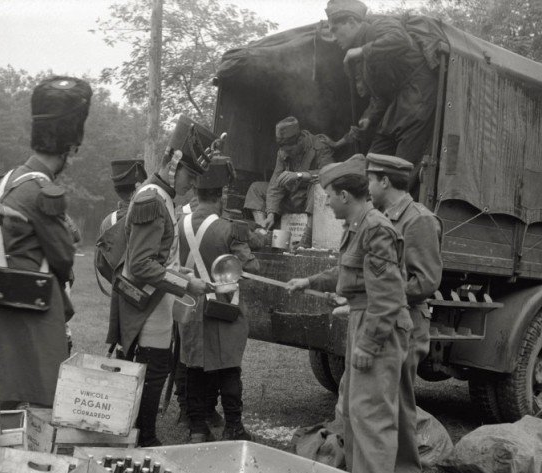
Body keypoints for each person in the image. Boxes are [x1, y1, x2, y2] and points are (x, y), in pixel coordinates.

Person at [288, 154, 411, 473]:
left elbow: (388, 298)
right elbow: (346, 271)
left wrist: (367, 345)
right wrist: (310, 282)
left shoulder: (376, 228)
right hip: (365, 318)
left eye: (328, 196)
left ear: (344, 195)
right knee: (355, 414)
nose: (326, 203)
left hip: (379, 326)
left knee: (371, 416)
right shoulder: (359, 226)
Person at [0, 76, 92, 407]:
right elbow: (63, 258)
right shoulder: (41, 190)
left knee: (1, 393)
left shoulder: (7, 179)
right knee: (38, 401)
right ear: (69, 148)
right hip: (32, 306)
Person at [107, 114, 215, 447]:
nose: (192, 184)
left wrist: (178, 272)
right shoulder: (153, 198)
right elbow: (140, 265)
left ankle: (140, 436)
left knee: (153, 369)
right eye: (190, 175)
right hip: (144, 304)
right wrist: (186, 285)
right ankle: (144, 440)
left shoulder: (162, 196)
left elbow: (155, 259)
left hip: (154, 300)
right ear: (174, 163)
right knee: (150, 372)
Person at [365, 153, 442, 473]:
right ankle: (381, 469)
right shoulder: (382, 218)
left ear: (385, 181)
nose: (366, 187)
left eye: (370, 179)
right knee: (382, 397)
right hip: (387, 315)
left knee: (399, 398)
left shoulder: (420, 220)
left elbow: (425, 282)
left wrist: (379, 291)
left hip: (407, 321)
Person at [178, 156, 259, 443]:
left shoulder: (179, 222)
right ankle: (233, 426)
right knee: (228, 367)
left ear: (197, 191)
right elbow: (250, 267)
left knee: (194, 367)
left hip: (189, 304)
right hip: (224, 307)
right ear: (221, 194)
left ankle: (197, 428)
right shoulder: (230, 228)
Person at [325, 0, 439, 177]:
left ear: (352, 22)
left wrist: (362, 51)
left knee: (400, 169)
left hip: (418, 95)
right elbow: (381, 94)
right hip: (396, 106)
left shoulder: (379, 25)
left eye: (335, 29)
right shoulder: (362, 58)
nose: (333, 37)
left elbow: (401, 40)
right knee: (373, 162)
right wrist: (369, 117)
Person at [243, 116, 334, 248]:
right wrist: (271, 213)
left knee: (318, 187)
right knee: (256, 188)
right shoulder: (283, 152)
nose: (287, 154)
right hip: (291, 197)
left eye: (290, 150)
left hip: (310, 200)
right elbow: (275, 184)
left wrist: (301, 175)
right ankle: (263, 233)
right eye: (284, 150)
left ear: (299, 141)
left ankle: (306, 240)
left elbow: (331, 172)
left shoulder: (319, 146)